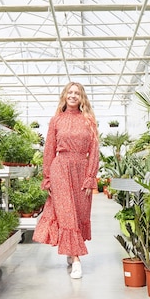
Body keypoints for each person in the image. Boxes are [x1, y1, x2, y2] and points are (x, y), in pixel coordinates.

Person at [32, 82, 100, 279]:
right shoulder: (56, 120)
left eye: (77, 93)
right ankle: (77, 260)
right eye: (69, 92)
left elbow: (94, 151)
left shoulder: (89, 120)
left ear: (82, 97)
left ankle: (71, 253)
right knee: (67, 213)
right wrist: (47, 178)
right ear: (64, 96)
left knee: (78, 213)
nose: (73, 95)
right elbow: (49, 150)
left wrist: (90, 177)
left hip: (81, 168)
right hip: (60, 169)